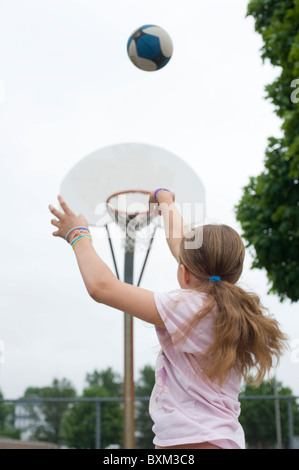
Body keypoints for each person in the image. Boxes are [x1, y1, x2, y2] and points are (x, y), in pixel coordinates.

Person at [49, 189, 288, 449]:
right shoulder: (235, 312)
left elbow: (102, 286)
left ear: (184, 274)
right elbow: (184, 251)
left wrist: (78, 235)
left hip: (192, 444)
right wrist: (166, 201)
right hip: (224, 440)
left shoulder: (190, 308)